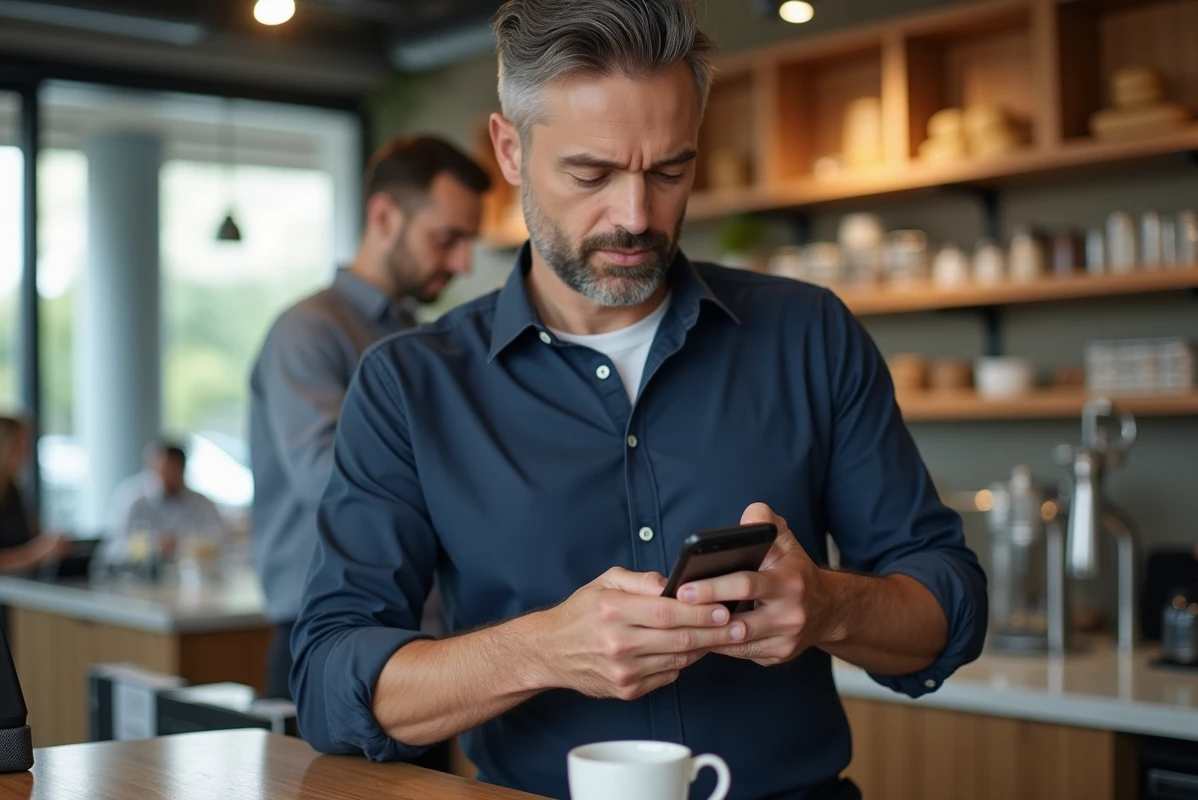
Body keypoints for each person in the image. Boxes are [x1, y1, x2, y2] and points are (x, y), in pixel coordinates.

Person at [290, 2, 988, 798]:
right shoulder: (409, 385)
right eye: (591, 174)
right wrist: (541, 649)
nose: (634, 216)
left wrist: (827, 606)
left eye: (669, 171)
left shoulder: (810, 333)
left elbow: (948, 604)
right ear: (510, 149)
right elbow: (327, 682)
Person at [249, 135, 489, 703]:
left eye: (469, 242)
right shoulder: (308, 331)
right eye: (447, 239)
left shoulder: (424, 341)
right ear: (384, 216)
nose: (463, 263)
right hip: (325, 643)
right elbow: (331, 480)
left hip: (425, 643)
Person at [103, 441, 230, 565]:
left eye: (174, 470)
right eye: (162, 470)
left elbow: (224, 543)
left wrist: (188, 544)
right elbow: (112, 550)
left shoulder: (200, 503)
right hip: (138, 579)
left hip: (189, 579)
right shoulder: (131, 498)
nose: (168, 476)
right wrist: (153, 545)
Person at [0, 417, 67, 574]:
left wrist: (48, 543)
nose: (25, 456)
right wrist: (37, 553)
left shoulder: (14, 491)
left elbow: (30, 537)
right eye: (18, 447)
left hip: (20, 589)